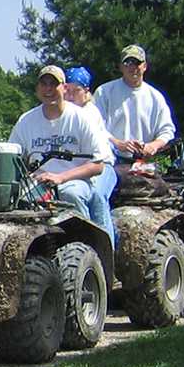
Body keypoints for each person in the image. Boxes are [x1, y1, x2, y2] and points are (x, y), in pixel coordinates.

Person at [7, 65, 113, 224]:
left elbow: (98, 165)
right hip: (38, 183)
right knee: (14, 202)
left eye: (53, 84)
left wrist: (61, 177)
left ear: (64, 88)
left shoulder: (81, 118)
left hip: (75, 181)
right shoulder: (26, 121)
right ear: (37, 88)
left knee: (71, 194)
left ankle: (84, 240)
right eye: (44, 84)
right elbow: (13, 158)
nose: (48, 89)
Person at [61, 65, 120, 242]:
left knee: (97, 195)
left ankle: (106, 245)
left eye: (75, 91)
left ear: (86, 91)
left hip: (104, 166)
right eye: (67, 91)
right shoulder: (64, 113)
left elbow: (98, 159)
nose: (70, 96)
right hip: (80, 168)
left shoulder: (89, 113)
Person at [93, 45, 177, 164]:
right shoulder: (104, 92)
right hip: (110, 161)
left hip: (143, 163)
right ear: (121, 67)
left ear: (144, 66)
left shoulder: (155, 97)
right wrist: (118, 144)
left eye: (137, 63)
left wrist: (153, 146)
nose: (133, 68)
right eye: (128, 63)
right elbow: (95, 127)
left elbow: (167, 130)